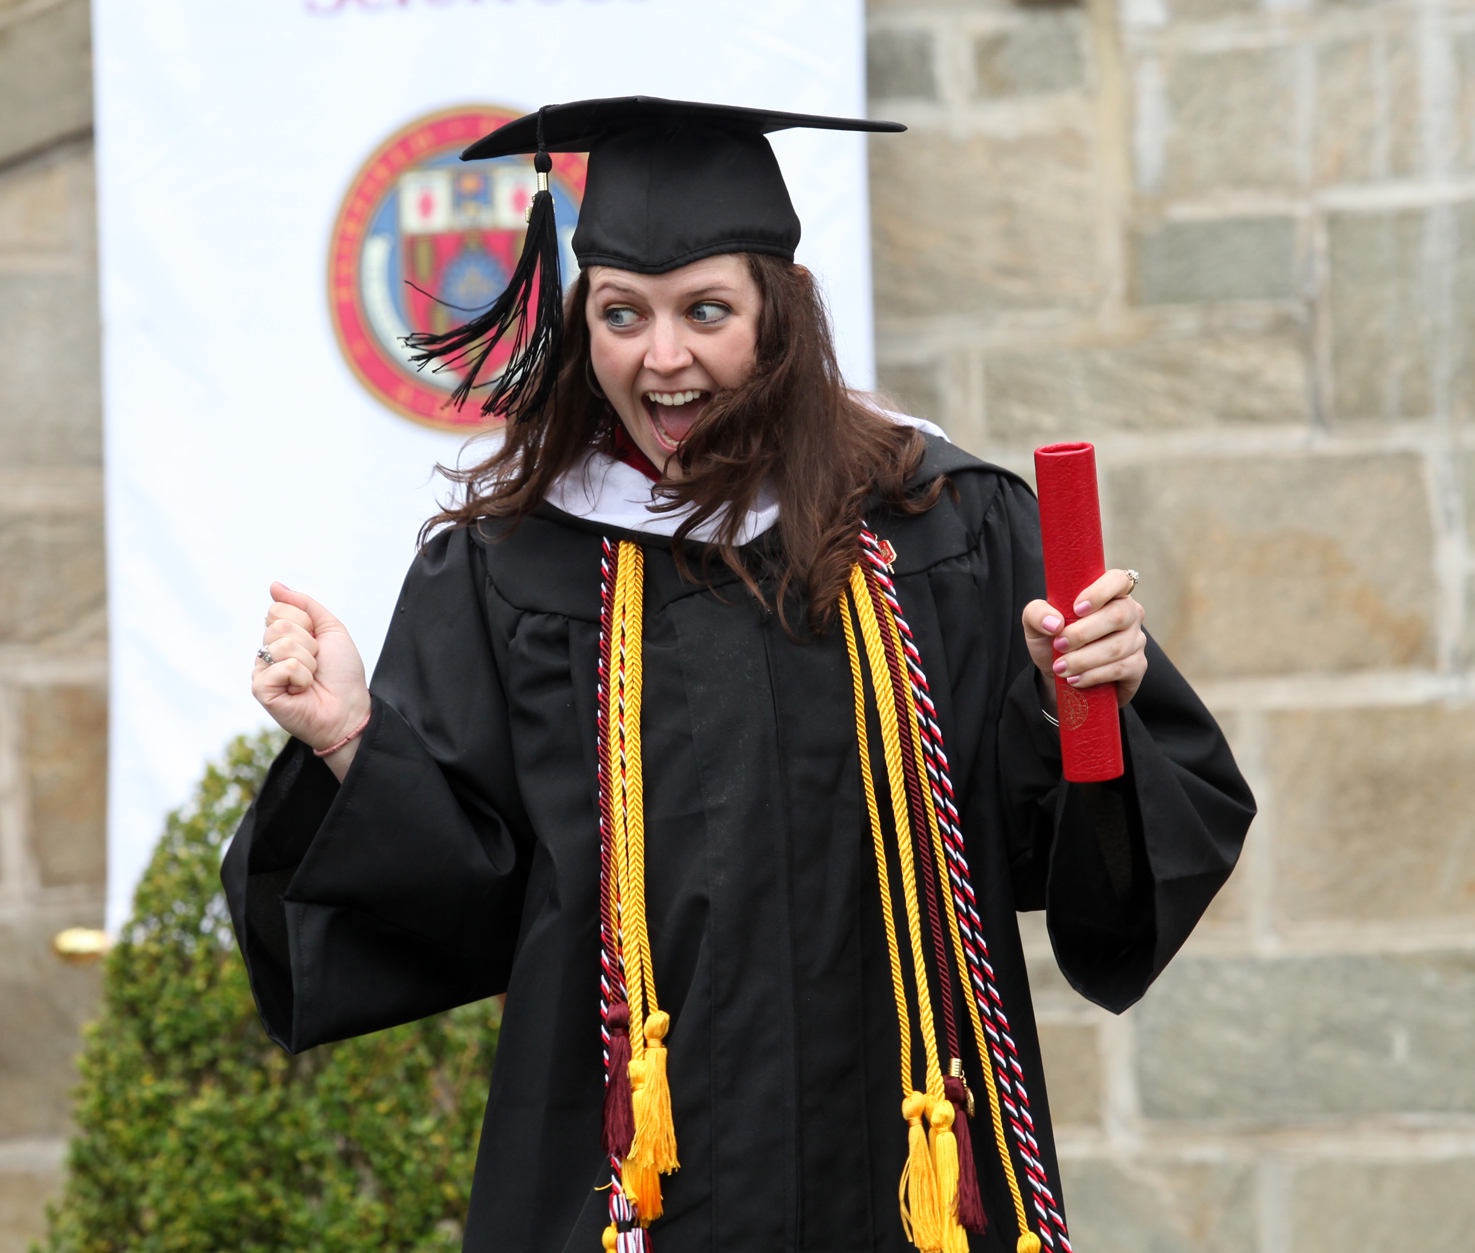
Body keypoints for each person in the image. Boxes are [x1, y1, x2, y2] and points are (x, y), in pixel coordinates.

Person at [224, 97, 1254, 1253]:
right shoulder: (513, 570)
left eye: (704, 310)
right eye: (623, 313)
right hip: (626, 1193)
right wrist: (356, 740)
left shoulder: (943, 530)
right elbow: (470, 897)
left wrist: (1081, 700)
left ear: (778, 314)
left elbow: (1060, 850)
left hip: (910, 1175)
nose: (662, 356)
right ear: (583, 321)